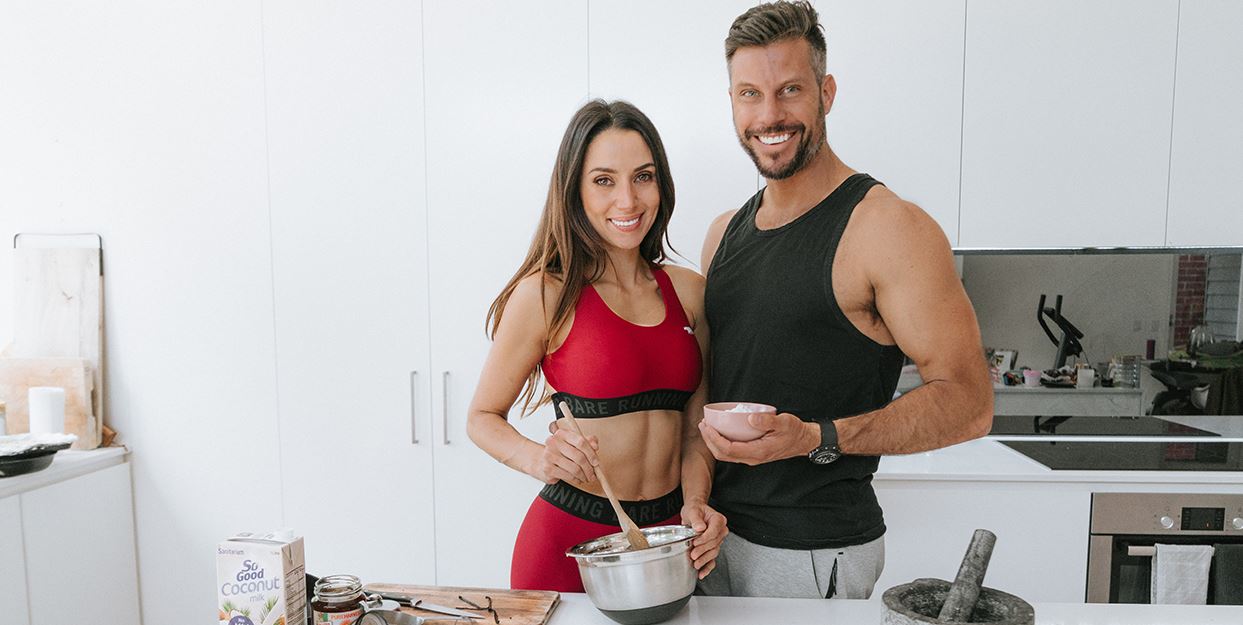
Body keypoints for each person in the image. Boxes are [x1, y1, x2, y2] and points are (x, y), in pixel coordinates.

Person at [693, 1, 994, 600]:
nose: (769, 114)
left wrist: (815, 438)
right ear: (731, 101)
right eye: (749, 93)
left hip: (810, 551)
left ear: (827, 93)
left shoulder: (887, 227)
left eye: (790, 90)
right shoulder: (723, 233)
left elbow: (969, 403)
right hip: (710, 541)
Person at [466, 99, 728, 592]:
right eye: (604, 180)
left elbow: (696, 428)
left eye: (643, 176)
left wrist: (697, 501)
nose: (627, 200)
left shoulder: (690, 292)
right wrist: (537, 459)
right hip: (567, 546)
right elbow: (482, 417)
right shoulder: (546, 294)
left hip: (668, 544)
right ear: (575, 191)